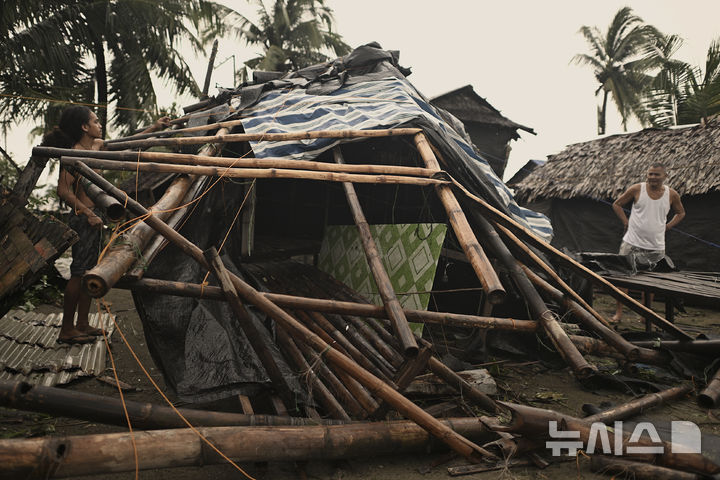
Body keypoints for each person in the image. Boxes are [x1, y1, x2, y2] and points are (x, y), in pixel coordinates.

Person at [43, 106, 170, 344]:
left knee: (88, 271)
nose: (99, 124)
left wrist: (155, 127)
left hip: (96, 217)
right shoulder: (74, 153)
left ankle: (82, 324)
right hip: (84, 219)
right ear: (84, 127)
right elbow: (63, 190)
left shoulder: (97, 146)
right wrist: (88, 212)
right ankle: (67, 329)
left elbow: (129, 143)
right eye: (94, 121)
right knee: (78, 273)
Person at [610, 163, 685, 322]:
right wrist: (626, 222)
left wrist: (668, 226)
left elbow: (681, 213)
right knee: (623, 278)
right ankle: (619, 313)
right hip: (632, 242)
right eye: (650, 174)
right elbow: (617, 204)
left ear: (665, 176)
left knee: (650, 282)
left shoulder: (671, 195)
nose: (652, 177)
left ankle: (645, 314)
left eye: (656, 174)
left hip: (656, 245)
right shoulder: (637, 189)